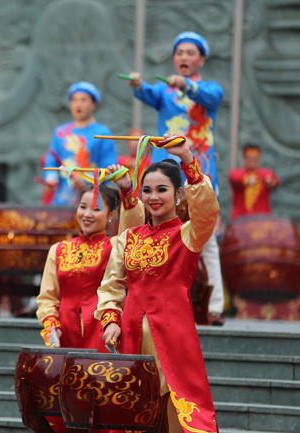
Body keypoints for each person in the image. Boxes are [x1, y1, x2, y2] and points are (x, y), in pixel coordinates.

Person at [97, 134, 220, 433]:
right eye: (147, 190)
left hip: (173, 332)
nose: (154, 197)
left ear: (179, 194)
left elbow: (208, 213)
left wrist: (188, 160)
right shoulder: (129, 237)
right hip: (130, 332)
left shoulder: (188, 234)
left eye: (162, 190)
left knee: (179, 409)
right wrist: (110, 320)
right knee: (131, 407)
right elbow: (112, 284)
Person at [127, 31, 226, 325]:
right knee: (156, 232)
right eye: (179, 52)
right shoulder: (165, 90)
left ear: (201, 59)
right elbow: (147, 92)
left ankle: (214, 306)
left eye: (190, 52)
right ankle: (154, 299)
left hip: (199, 169)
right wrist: (137, 84)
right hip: (166, 174)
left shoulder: (210, 89)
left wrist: (186, 85)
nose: (183, 57)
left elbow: (208, 97)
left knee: (205, 238)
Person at [37, 165, 142, 350]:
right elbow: (48, 297)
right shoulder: (58, 250)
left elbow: (135, 229)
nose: (87, 214)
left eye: (95, 209)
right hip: (64, 333)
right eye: (83, 207)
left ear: (111, 215)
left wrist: (126, 188)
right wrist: (51, 325)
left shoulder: (115, 246)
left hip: (103, 330)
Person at [43, 82, 118, 206]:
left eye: (84, 100)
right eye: (74, 100)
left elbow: (108, 169)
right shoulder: (60, 132)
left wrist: (86, 182)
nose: (78, 104)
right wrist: (51, 178)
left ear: (94, 104)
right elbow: (51, 160)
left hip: (91, 199)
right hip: (61, 199)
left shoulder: (103, 133)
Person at [229, 145, 279, 220]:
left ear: (259, 159)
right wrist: (247, 180)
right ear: (244, 159)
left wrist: (272, 182)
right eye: (249, 158)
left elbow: (274, 179)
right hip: (241, 221)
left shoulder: (265, 173)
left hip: (262, 220)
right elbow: (235, 178)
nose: (252, 161)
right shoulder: (236, 173)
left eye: (255, 158)